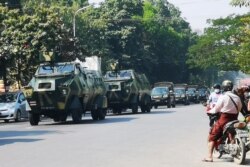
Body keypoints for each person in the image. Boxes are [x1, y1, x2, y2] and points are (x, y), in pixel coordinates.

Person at [203, 80, 242, 162]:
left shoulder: (223, 97)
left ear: (223, 87)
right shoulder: (237, 97)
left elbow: (216, 109)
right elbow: (239, 108)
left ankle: (209, 156)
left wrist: (209, 111)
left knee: (212, 136)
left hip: (224, 119)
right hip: (235, 119)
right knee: (232, 132)